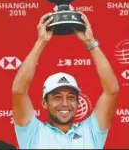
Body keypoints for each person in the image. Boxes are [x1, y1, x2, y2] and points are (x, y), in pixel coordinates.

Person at [12, 12, 119, 149]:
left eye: (71, 97)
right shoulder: (32, 132)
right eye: (57, 97)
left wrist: (91, 43)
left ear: (78, 102)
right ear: (44, 103)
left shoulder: (91, 131)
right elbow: (19, 91)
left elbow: (111, 91)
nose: (65, 103)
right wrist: (41, 42)